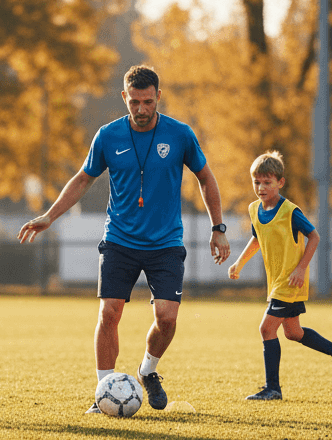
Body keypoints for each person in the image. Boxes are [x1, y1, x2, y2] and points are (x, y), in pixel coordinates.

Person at [17, 65, 231, 412]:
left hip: (165, 243)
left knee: (167, 318)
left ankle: (147, 371)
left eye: (148, 102)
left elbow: (206, 178)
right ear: (124, 98)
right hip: (119, 239)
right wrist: (49, 216)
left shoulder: (180, 135)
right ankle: (102, 394)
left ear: (158, 96)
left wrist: (217, 228)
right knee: (109, 313)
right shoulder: (107, 135)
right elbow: (83, 179)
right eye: (134, 102)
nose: (142, 110)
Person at [228, 151, 332, 400]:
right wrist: (239, 263)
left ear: (280, 183)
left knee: (266, 329)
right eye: (257, 182)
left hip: (289, 281)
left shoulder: (290, 211)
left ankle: (272, 388)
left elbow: (314, 236)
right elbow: (257, 238)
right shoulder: (254, 210)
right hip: (276, 281)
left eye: (267, 182)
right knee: (293, 332)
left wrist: (301, 268)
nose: (261, 188)